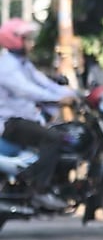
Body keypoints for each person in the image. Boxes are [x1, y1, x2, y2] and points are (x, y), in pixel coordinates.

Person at [0, 18, 77, 210]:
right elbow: (28, 90)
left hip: (25, 119)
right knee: (53, 138)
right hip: (10, 123)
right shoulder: (7, 67)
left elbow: (44, 83)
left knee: (65, 135)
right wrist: (59, 99)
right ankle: (40, 190)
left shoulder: (23, 64)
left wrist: (76, 94)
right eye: (27, 39)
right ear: (14, 40)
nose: (31, 43)